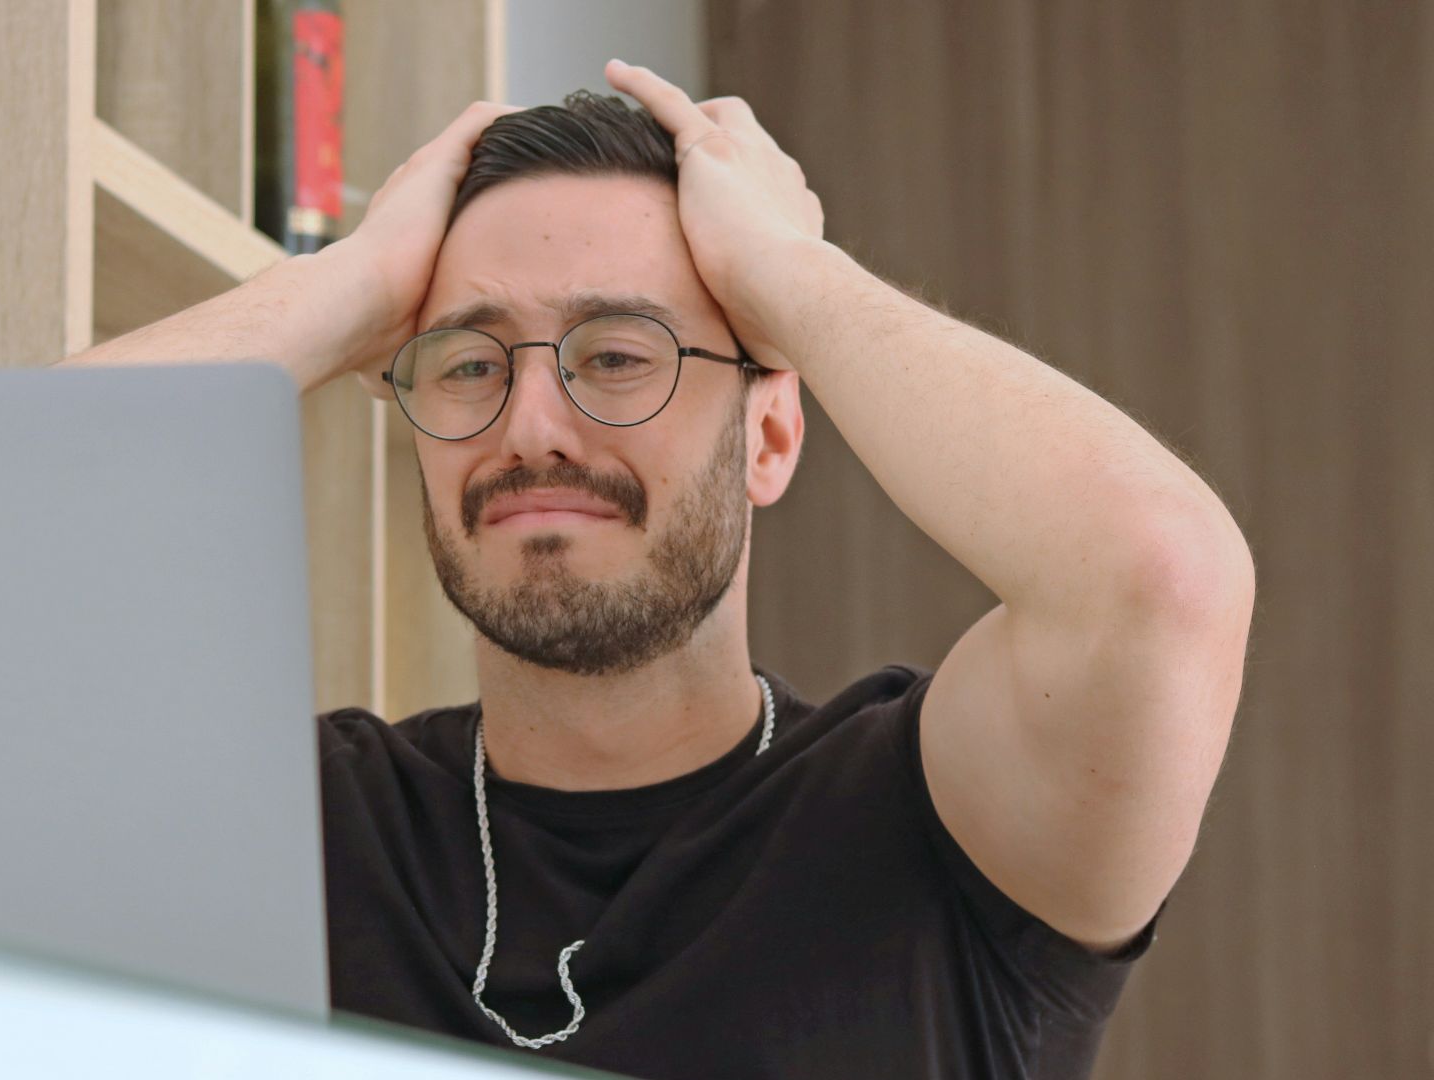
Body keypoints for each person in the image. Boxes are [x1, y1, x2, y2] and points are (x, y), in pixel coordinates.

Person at [60, 59, 1254, 1080]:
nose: (533, 422)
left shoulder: (939, 829)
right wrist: (349, 285)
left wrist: (792, 273)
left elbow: (1159, 576)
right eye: (472, 364)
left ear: (771, 436)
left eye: (619, 354)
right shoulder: (304, 831)